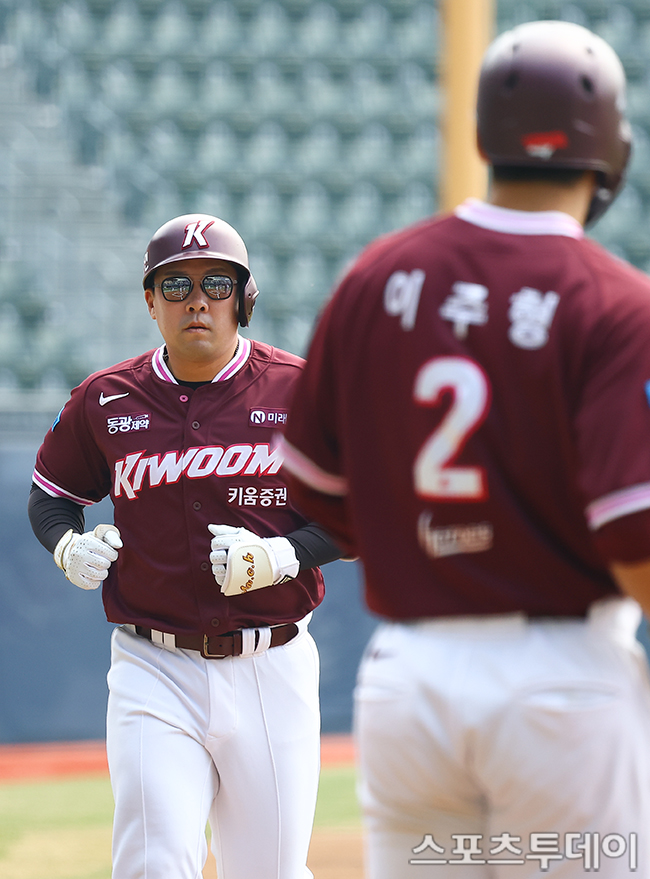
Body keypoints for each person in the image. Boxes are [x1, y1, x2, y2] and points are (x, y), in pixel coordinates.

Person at [280, 20, 650, 878]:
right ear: (611, 151)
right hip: (562, 682)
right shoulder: (615, 302)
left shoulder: (376, 277)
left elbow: (318, 491)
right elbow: (633, 533)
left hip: (408, 680)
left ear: (483, 138)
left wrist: (441, 545)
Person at [28, 213, 340, 879]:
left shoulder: (300, 390)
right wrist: (66, 546)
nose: (197, 301)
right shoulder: (107, 398)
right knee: (152, 863)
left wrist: (283, 556)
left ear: (244, 298)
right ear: (150, 301)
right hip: (153, 666)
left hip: (272, 664)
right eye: (176, 286)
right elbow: (51, 496)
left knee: (269, 872)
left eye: (215, 284)